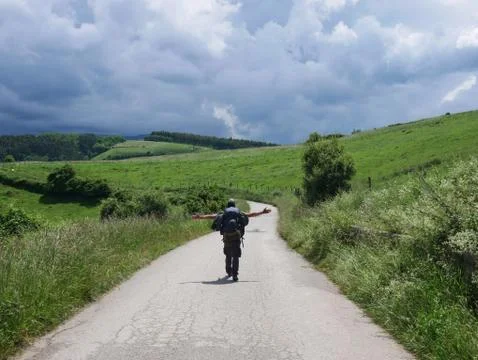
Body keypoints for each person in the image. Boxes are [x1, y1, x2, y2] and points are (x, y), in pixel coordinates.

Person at [192, 199, 271, 282]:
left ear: (228, 206)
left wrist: (199, 217)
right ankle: (235, 275)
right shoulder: (238, 213)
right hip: (236, 235)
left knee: (228, 254)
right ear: (234, 206)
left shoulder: (224, 213)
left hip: (227, 236)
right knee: (236, 255)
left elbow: (211, 216)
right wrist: (262, 212)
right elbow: (251, 214)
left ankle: (229, 271)